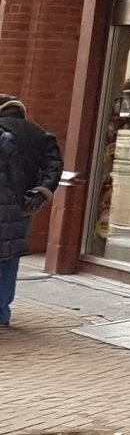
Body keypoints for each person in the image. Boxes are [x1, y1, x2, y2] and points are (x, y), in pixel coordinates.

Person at [0, 96, 64, 329]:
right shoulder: (39, 133)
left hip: (6, 200)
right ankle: (2, 310)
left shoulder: (3, 134)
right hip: (23, 205)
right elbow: (54, 165)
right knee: (10, 257)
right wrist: (42, 191)